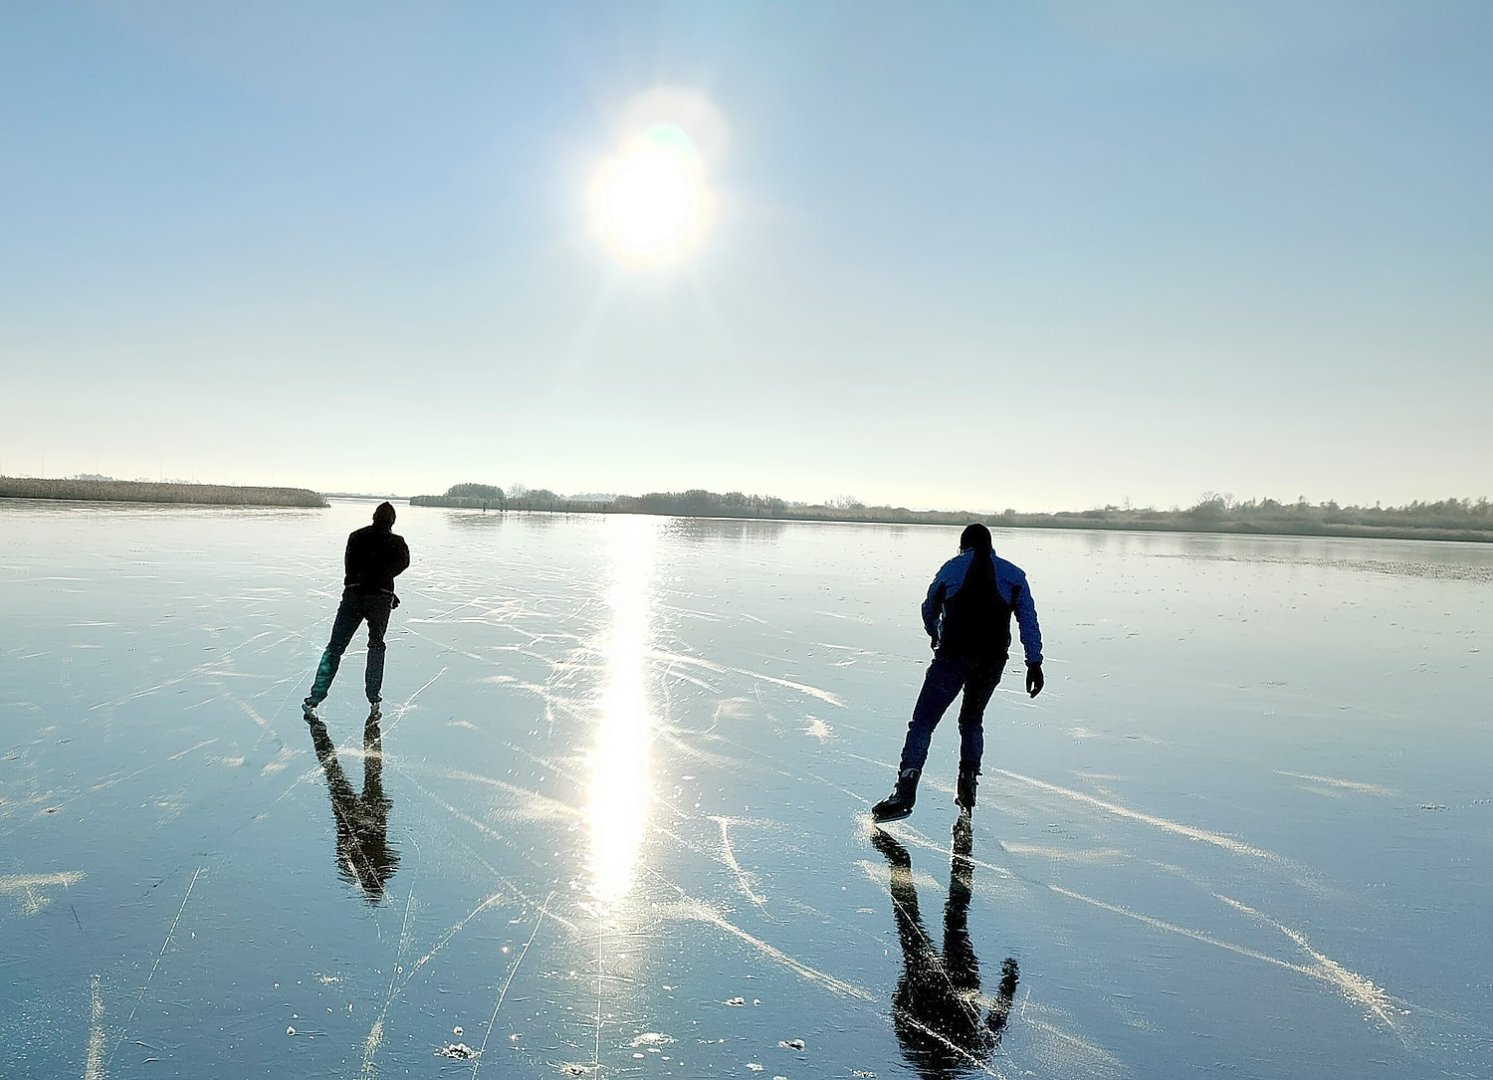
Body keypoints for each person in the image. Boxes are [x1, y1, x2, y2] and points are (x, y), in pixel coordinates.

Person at [872, 523, 1043, 822]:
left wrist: (936, 634)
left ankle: (904, 792)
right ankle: (968, 788)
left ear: (963, 545)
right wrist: (1034, 662)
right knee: (971, 721)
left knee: (923, 722)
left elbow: (928, 608)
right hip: (991, 661)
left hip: (952, 657)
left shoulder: (952, 569)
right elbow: (1027, 619)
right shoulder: (1014, 575)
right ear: (990, 546)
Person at [871, 822, 1020, 1077]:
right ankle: (902, 860)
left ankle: (962, 835)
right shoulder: (920, 1053)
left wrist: (1009, 983)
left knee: (955, 919)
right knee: (924, 921)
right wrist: (907, 982)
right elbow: (899, 1013)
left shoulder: (961, 1059)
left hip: (944, 987)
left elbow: (995, 1023)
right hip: (931, 986)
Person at [302, 502, 410, 720]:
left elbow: (351, 568)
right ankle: (374, 699)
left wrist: (375, 584)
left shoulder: (356, 537)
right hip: (380, 598)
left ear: (373, 516)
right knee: (376, 645)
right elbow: (401, 564)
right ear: (392, 521)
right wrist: (385, 587)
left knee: (334, 647)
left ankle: (315, 697)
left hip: (354, 596)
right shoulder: (397, 543)